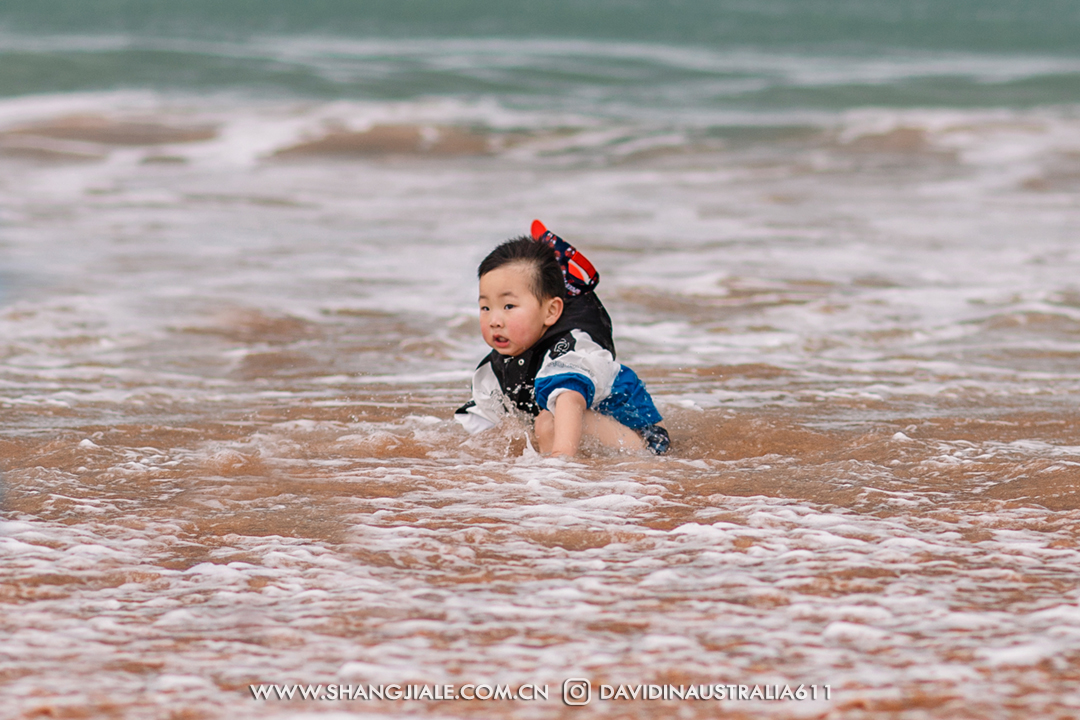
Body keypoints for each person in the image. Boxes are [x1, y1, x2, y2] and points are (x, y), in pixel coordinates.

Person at [456, 220, 669, 457]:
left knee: (547, 421)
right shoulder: (491, 370)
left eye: (508, 306)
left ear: (550, 311)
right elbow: (492, 428)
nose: (495, 320)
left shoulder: (569, 348)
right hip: (589, 440)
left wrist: (561, 466)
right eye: (485, 308)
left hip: (642, 445)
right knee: (528, 430)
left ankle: (560, 475)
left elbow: (570, 399)